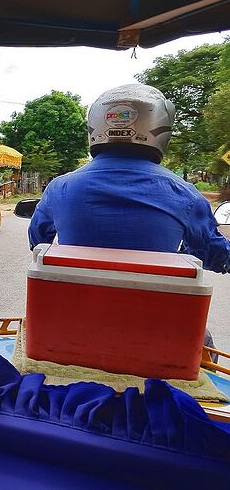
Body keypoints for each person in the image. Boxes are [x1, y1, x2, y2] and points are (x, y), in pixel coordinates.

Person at [28, 84, 229, 356]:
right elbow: (215, 255)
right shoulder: (185, 194)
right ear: (161, 129)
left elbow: (37, 241)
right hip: (160, 331)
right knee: (207, 352)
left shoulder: (60, 188)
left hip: (71, 325)